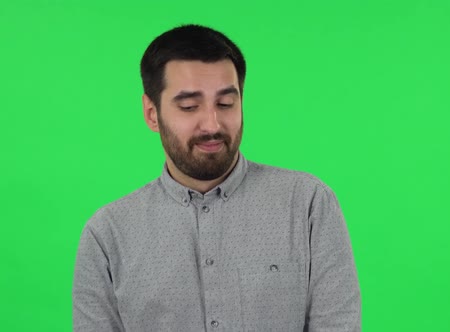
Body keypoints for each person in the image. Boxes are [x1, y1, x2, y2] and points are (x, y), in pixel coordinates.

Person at [73, 24, 361, 331]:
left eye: (226, 103)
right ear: (151, 113)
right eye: (189, 106)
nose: (212, 124)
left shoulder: (308, 204)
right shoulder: (107, 235)